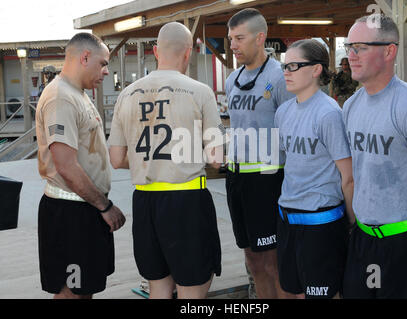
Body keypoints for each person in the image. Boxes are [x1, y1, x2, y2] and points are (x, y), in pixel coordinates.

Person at [108, 22, 224, 299]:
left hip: (145, 202)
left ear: (156, 51)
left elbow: (116, 158)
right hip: (187, 201)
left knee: (158, 286)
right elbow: (217, 158)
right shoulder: (200, 91)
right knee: (193, 287)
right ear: (188, 53)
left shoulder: (127, 94)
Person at [342, 14, 407, 299]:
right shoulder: (350, 106)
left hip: (406, 242)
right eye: (349, 47)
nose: (351, 56)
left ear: (389, 51)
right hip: (362, 239)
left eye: (360, 47)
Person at [35, 32, 126, 299]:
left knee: (84, 288)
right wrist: (105, 206)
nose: (106, 71)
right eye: (103, 63)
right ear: (84, 57)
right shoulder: (61, 97)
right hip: (70, 213)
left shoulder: (78, 93)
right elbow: (66, 165)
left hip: (84, 208)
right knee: (71, 292)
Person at [275, 39, 355, 299]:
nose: (286, 72)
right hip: (287, 219)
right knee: (293, 292)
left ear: (316, 69)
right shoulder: (283, 112)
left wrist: (352, 222)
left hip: (321, 223)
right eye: (284, 66)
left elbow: (348, 176)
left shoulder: (329, 114)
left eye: (294, 66)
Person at [225, 8, 294, 299]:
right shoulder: (232, 79)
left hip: (268, 180)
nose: (233, 45)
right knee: (253, 260)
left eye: (239, 38)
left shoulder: (280, 78)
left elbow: (293, 132)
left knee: (274, 261)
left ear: (260, 38)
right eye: (230, 39)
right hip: (236, 179)